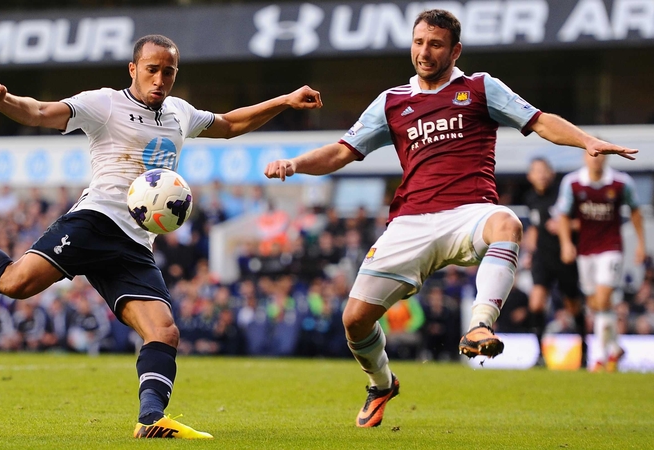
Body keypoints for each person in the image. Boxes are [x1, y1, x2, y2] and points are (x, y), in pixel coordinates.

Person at [0, 34, 322, 439]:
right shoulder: (104, 104)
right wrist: (4, 102)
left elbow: (228, 124)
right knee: (15, 284)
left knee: (164, 331)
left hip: (136, 243)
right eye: (151, 69)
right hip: (94, 222)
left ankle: (151, 418)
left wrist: (284, 100)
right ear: (132, 69)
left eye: (168, 71)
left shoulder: (180, 113)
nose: (160, 79)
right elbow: (40, 112)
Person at [263, 9, 637, 428]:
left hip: (470, 211)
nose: (425, 52)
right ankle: (382, 384)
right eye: (419, 42)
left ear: (455, 50)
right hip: (410, 222)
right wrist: (294, 164)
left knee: (507, 223)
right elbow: (340, 151)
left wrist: (586, 140)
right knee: (354, 320)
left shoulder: (480, 88)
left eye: (436, 44)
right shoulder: (391, 101)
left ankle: (479, 327)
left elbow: (539, 121)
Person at [556, 152, 645, 372]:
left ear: (606, 158)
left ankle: (600, 358)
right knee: (595, 304)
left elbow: (635, 211)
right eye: (591, 155)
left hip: (611, 248)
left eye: (600, 155)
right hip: (585, 250)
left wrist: (641, 244)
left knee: (604, 300)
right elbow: (563, 215)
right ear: (584, 158)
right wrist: (566, 243)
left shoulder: (621, 182)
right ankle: (614, 347)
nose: (595, 159)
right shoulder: (573, 182)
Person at [523, 157, 586, 367]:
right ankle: (540, 354)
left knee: (573, 305)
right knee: (536, 302)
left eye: (544, 171)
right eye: (536, 171)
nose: (540, 175)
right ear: (529, 176)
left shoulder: (563, 194)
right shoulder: (530, 197)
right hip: (542, 258)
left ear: (551, 173)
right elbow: (534, 226)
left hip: (565, 256)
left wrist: (564, 227)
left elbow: (582, 221)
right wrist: (529, 249)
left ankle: (585, 349)